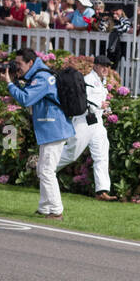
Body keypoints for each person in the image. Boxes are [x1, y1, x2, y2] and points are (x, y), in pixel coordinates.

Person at [3, 47, 75, 220]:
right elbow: (30, 94)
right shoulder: (37, 75)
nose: (17, 67)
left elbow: (26, 99)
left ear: (30, 62)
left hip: (54, 129)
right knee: (42, 170)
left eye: (19, 64)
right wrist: (17, 81)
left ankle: (56, 210)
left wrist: (9, 83)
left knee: (47, 171)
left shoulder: (42, 77)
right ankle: (44, 208)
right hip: (50, 129)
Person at [56, 55, 116, 201]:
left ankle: (102, 191)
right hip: (84, 121)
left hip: (97, 123)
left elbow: (99, 101)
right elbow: (83, 98)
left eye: (107, 66)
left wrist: (105, 109)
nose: (105, 69)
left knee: (101, 155)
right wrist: (98, 105)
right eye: (102, 65)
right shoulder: (88, 80)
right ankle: (45, 168)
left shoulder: (102, 81)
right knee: (71, 154)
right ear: (95, 66)